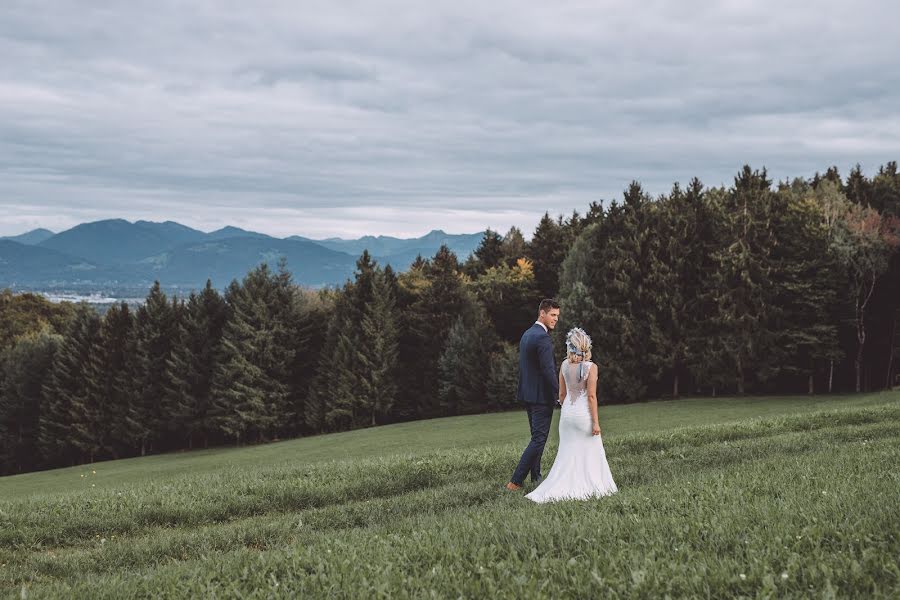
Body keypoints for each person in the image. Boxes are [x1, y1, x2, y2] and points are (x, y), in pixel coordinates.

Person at [524, 327, 617, 503]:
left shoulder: (565, 366)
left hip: (567, 416)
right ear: (587, 347)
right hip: (583, 416)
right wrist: (596, 423)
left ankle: (560, 485)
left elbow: (561, 395)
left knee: (567, 453)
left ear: (570, 347)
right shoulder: (592, 367)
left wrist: (567, 406)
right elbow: (591, 396)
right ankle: (590, 486)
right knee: (590, 451)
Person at [506, 299, 560, 491]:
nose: (555, 319)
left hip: (528, 395)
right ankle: (515, 481)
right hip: (541, 397)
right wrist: (559, 392)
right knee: (538, 439)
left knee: (536, 437)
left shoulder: (527, 334)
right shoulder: (542, 338)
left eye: (557, 316)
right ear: (542, 314)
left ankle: (536, 477)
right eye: (552, 315)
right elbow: (548, 370)